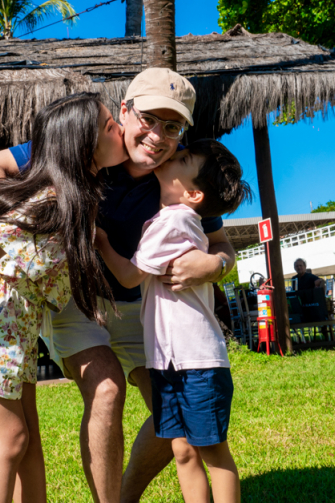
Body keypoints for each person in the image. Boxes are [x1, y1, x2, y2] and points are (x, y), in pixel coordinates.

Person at [0, 68, 236, 502]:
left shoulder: (182, 172)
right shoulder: (85, 145)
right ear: (124, 111)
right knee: (107, 386)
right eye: (148, 118)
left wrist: (214, 266)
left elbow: (221, 245)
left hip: (144, 306)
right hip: (78, 301)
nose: (157, 136)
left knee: (173, 412)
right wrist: (17, 219)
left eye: (172, 126)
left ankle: (123, 496)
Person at [0, 92, 128, 502]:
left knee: (28, 443)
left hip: (15, 322)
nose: (120, 129)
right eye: (109, 126)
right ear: (84, 146)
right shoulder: (54, 200)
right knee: (11, 441)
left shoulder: (79, 196)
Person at [95, 139, 251, 503]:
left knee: (214, 453)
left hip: (194, 362)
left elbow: (130, 277)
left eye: (183, 158)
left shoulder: (175, 221)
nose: (173, 153)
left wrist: (101, 242)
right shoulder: (174, 218)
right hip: (171, 360)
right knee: (182, 449)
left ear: (193, 194)